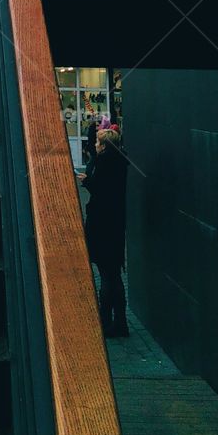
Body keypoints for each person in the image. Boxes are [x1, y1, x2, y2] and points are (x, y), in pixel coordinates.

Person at [81, 126, 129, 337]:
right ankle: (118, 320)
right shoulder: (120, 161)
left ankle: (107, 319)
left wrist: (87, 181)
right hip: (115, 225)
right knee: (113, 273)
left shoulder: (104, 163)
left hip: (102, 225)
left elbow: (99, 190)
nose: (95, 144)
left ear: (104, 146)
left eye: (98, 142)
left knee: (106, 274)